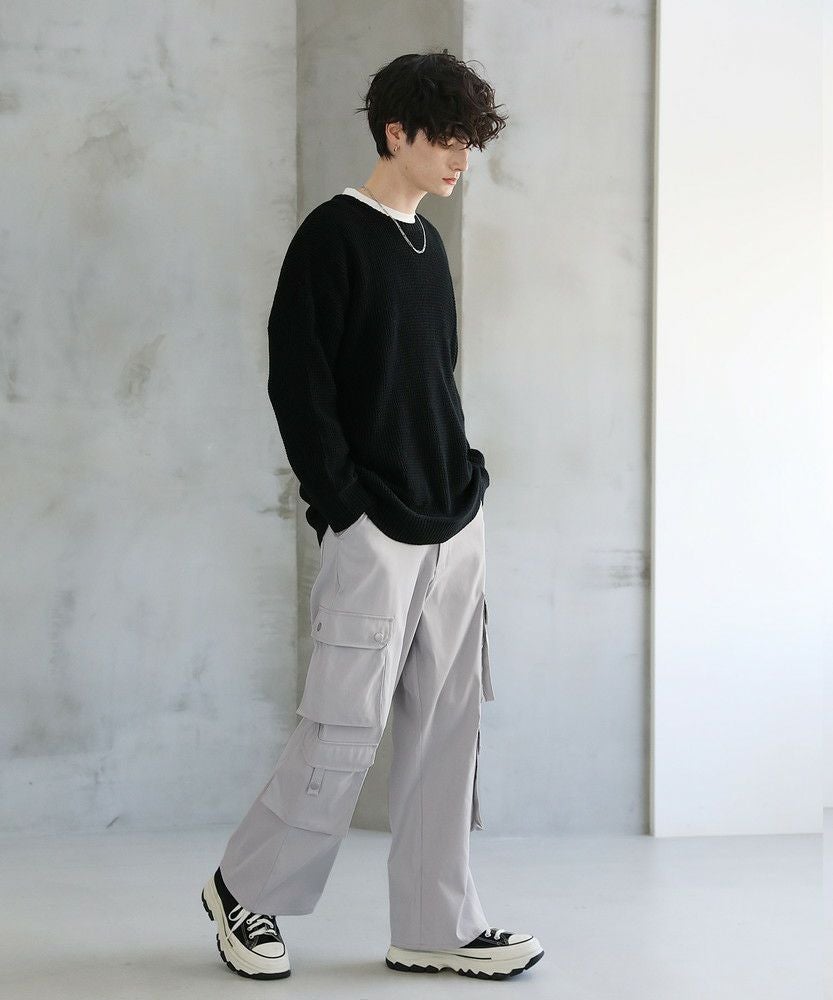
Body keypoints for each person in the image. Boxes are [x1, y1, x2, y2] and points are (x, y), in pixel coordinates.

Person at [201, 48, 543, 981]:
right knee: (342, 726)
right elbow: (298, 383)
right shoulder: (332, 236)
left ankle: (435, 922)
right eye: (448, 139)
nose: (461, 158)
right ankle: (245, 892)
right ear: (396, 132)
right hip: (376, 526)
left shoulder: (427, 246)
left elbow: (432, 383)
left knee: (448, 731)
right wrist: (342, 507)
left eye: (470, 143)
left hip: (453, 518)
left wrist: (467, 476)